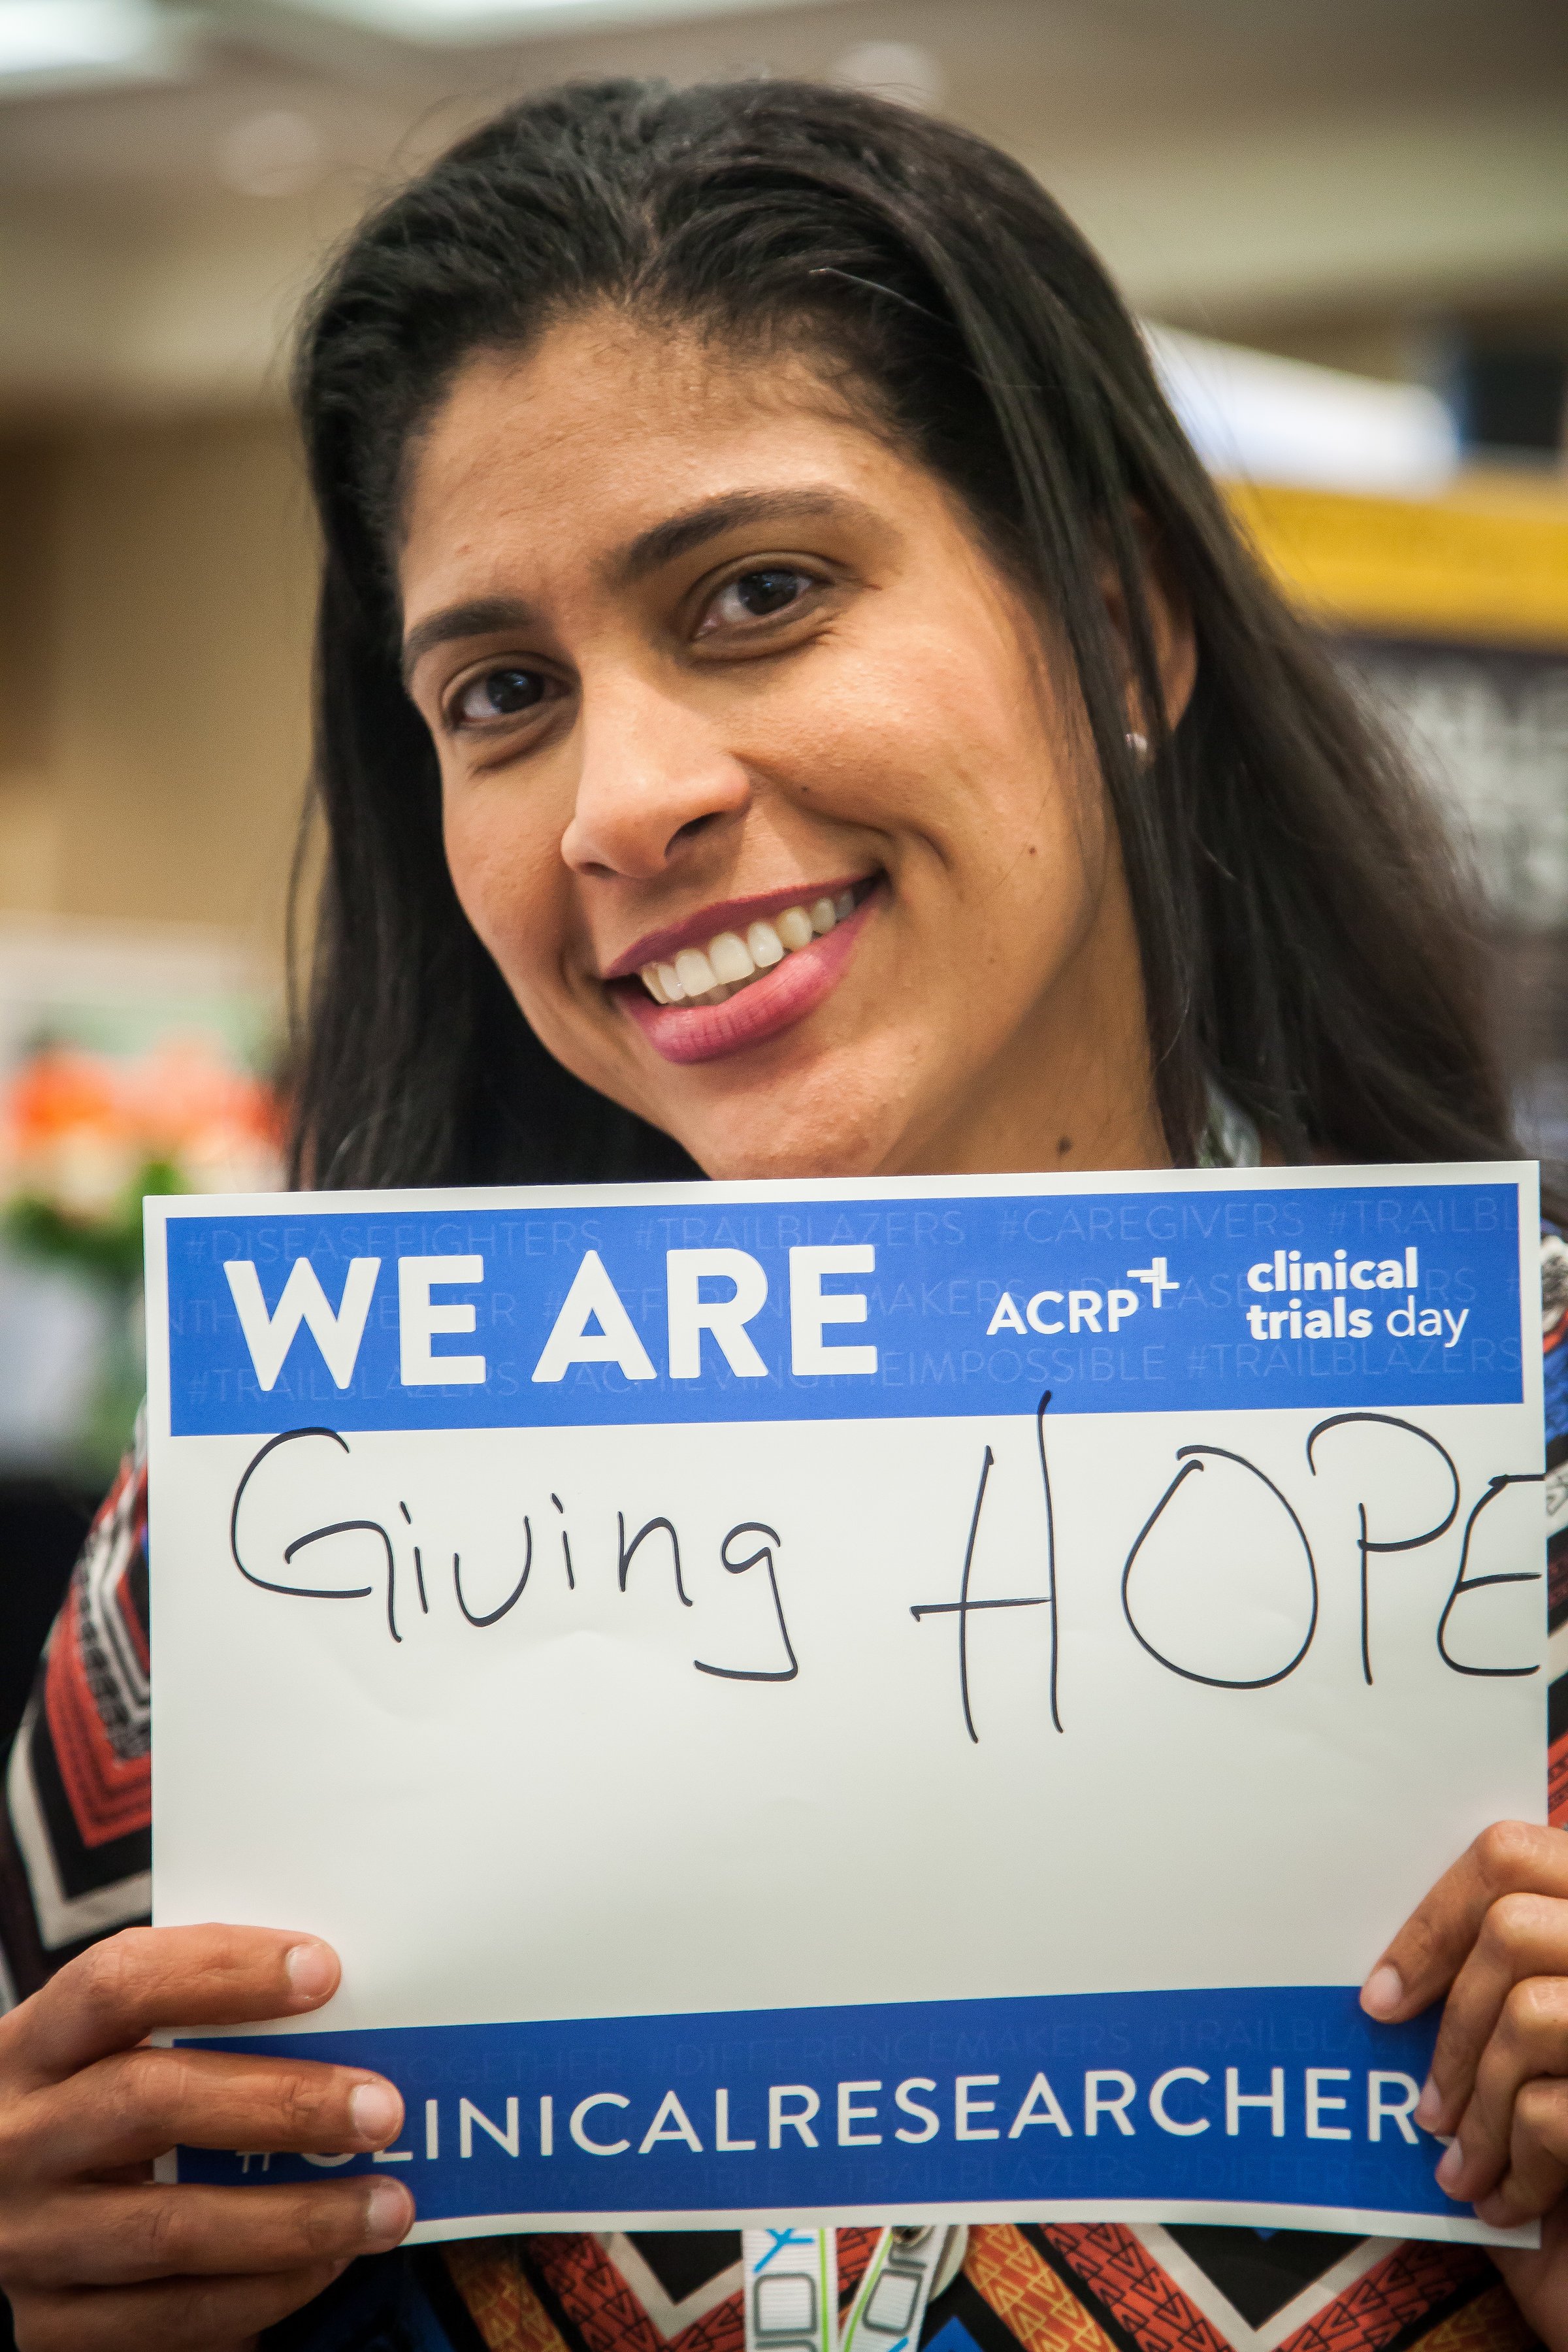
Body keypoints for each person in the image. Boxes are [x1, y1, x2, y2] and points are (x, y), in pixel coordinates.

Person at [0, 74, 1563, 2352]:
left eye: (759, 595)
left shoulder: (1527, 1468)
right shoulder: (231, 1581)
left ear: (1121, 631)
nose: (624, 803)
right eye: (504, 692)